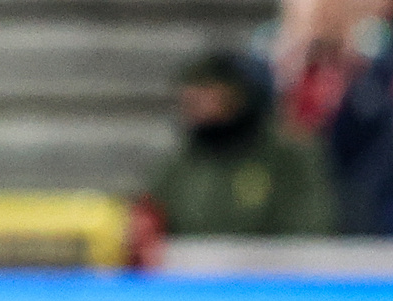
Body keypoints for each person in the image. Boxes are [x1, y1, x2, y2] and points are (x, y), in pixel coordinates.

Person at [143, 52, 337, 239]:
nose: (195, 108)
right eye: (190, 99)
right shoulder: (180, 164)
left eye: (207, 96)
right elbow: (152, 217)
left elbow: (310, 225)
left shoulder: (287, 157)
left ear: (238, 97)